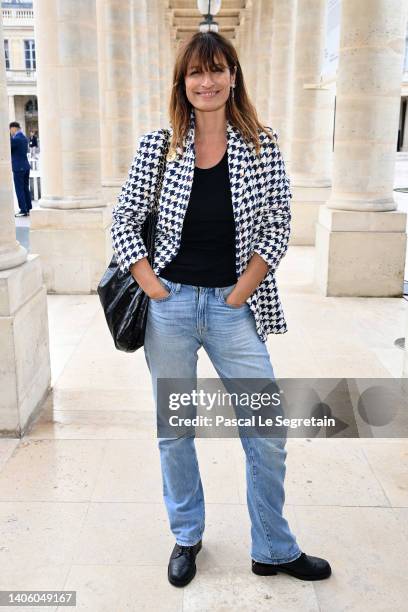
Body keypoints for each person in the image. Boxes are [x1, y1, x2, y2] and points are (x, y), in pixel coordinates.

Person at [111, 32, 332, 587]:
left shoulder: (261, 144)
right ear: (182, 83)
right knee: (176, 430)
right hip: (171, 308)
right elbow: (123, 223)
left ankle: (274, 548)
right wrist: (154, 287)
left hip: (235, 310)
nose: (206, 82)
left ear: (234, 76)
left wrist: (239, 292)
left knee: (266, 428)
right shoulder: (158, 146)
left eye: (216, 70)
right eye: (195, 73)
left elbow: (279, 223)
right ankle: (187, 537)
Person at [9, 121, 32, 217]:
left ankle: (23, 210)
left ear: (14, 128)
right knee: (25, 187)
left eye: (10, 130)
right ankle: (28, 207)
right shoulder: (24, 138)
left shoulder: (16, 139)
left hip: (19, 167)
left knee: (19, 189)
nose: (11, 132)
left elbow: (8, 146)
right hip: (25, 166)